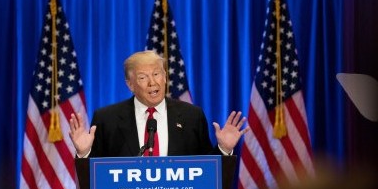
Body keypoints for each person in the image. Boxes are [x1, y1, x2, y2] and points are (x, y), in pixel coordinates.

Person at [68, 50, 249, 157]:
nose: (152, 83)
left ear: (165, 77)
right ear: (130, 84)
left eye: (156, 74)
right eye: (142, 77)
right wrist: (84, 153)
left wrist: (223, 149)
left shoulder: (191, 116)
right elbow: (95, 178)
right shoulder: (107, 119)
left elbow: (206, 171)